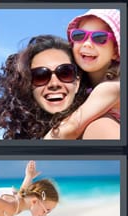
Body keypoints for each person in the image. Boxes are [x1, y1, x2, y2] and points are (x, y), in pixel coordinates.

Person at [0, 33, 119, 140]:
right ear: (29, 85)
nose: (54, 84)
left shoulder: (99, 127)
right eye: (40, 75)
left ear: (77, 82)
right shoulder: (27, 135)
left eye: (65, 73)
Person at [44, 9, 120, 139]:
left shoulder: (115, 86)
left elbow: (71, 127)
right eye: (79, 35)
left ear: (115, 51)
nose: (87, 44)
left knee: (99, 126)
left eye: (100, 38)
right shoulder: (81, 88)